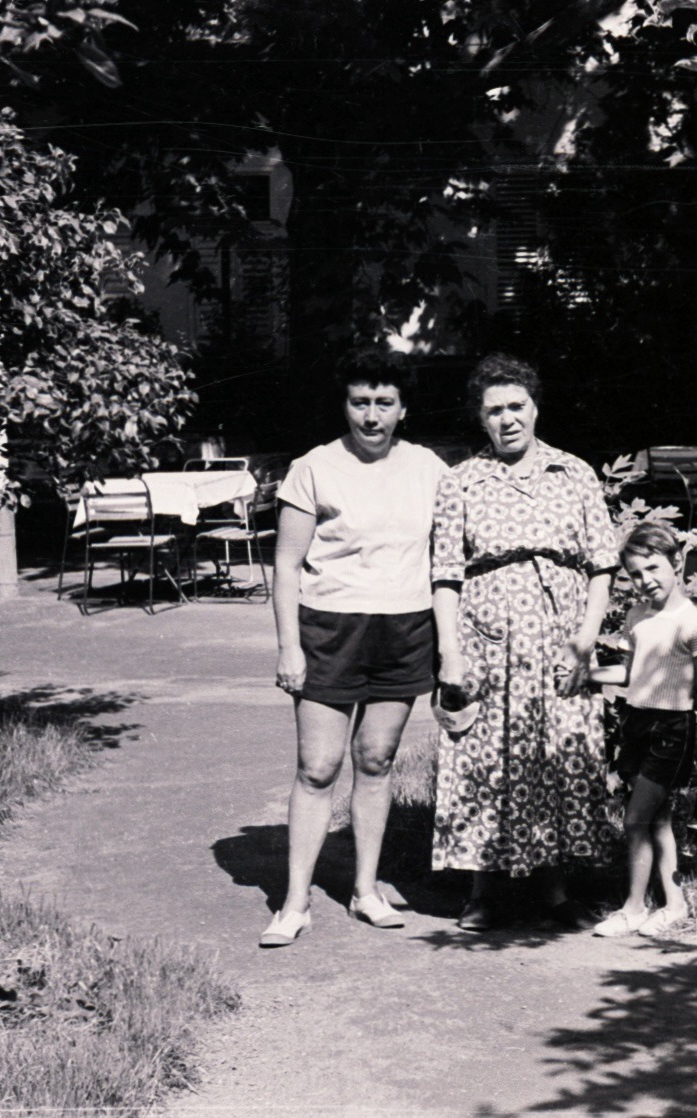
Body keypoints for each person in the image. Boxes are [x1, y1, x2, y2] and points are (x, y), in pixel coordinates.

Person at [431, 353, 621, 930]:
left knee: (557, 752)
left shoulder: (575, 473)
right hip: (486, 642)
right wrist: (451, 652)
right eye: (495, 411)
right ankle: (481, 890)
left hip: (560, 643)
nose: (508, 419)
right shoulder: (460, 480)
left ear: (535, 408)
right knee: (483, 758)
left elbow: (602, 563)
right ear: (481, 420)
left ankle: (555, 890)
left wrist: (587, 636)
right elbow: (445, 574)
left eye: (517, 406)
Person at [261, 363, 447, 947]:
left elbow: (450, 558)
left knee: (376, 760)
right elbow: (287, 565)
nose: (372, 415)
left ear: (403, 409)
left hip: (406, 627)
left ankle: (367, 890)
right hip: (329, 631)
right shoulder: (313, 468)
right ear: (344, 405)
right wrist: (289, 647)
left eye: (384, 402)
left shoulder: (430, 469)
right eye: (361, 401)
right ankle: (295, 903)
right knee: (317, 768)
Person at [589, 522, 697, 938]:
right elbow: (629, 673)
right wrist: (586, 674)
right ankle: (674, 903)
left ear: (676, 563)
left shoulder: (693, 622)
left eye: (652, 568)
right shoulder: (635, 617)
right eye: (635, 575)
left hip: (673, 728)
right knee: (657, 820)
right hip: (637, 722)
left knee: (635, 819)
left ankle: (633, 907)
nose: (645, 581)